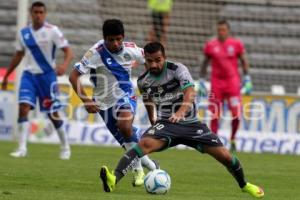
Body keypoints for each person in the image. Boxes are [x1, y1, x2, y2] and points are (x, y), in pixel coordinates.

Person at [99, 42, 264, 198]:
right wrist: (153, 120)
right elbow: (148, 100)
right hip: (166, 124)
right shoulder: (143, 81)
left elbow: (190, 92)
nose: (154, 64)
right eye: (150, 61)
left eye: (158, 60)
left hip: (191, 124)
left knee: (226, 157)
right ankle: (113, 178)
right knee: (142, 146)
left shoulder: (177, 69)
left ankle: (245, 185)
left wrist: (180, 112)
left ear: (164, 57)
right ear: (145, 61)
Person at [69, 19, 158, 186]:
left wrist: (149, 80)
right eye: (111, 40)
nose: (116, 43)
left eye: (119, 39)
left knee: (124, 126)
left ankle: (138, 171)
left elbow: (151, 60)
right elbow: (73, 76)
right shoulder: (95, 53)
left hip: (125, 94)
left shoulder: (132, 50)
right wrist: (86, 101)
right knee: (128, 140)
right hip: (103, 104)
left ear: (123, 37)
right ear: (104, 39)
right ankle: (153, 166)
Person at [1, 1, 73, 160]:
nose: (38, 15)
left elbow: (68, 51)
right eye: (36, 12)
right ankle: (22, 148)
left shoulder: (52, 31)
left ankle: (65, 146)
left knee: (53, 114)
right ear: (31, 13)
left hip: (47, 76)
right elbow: (18, 55)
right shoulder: (24, 33)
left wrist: (64, 65)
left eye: (41, 12)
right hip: (29, 76)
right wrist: (6, 76)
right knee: (23, 108)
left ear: (45, 14)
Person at [199, 20, 253, 152]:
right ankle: (214, 141)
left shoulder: (236, 44)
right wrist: (201, 79)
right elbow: (204, 63)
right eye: (219, 30)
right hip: (216, 83)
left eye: (223, 30)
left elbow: (243, 60)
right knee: (215, 113)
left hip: (232, 83)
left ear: (228, 30)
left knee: (237, 114)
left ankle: (233, 138)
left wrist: (247, 78)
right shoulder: (211, 45)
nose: (221, 32)